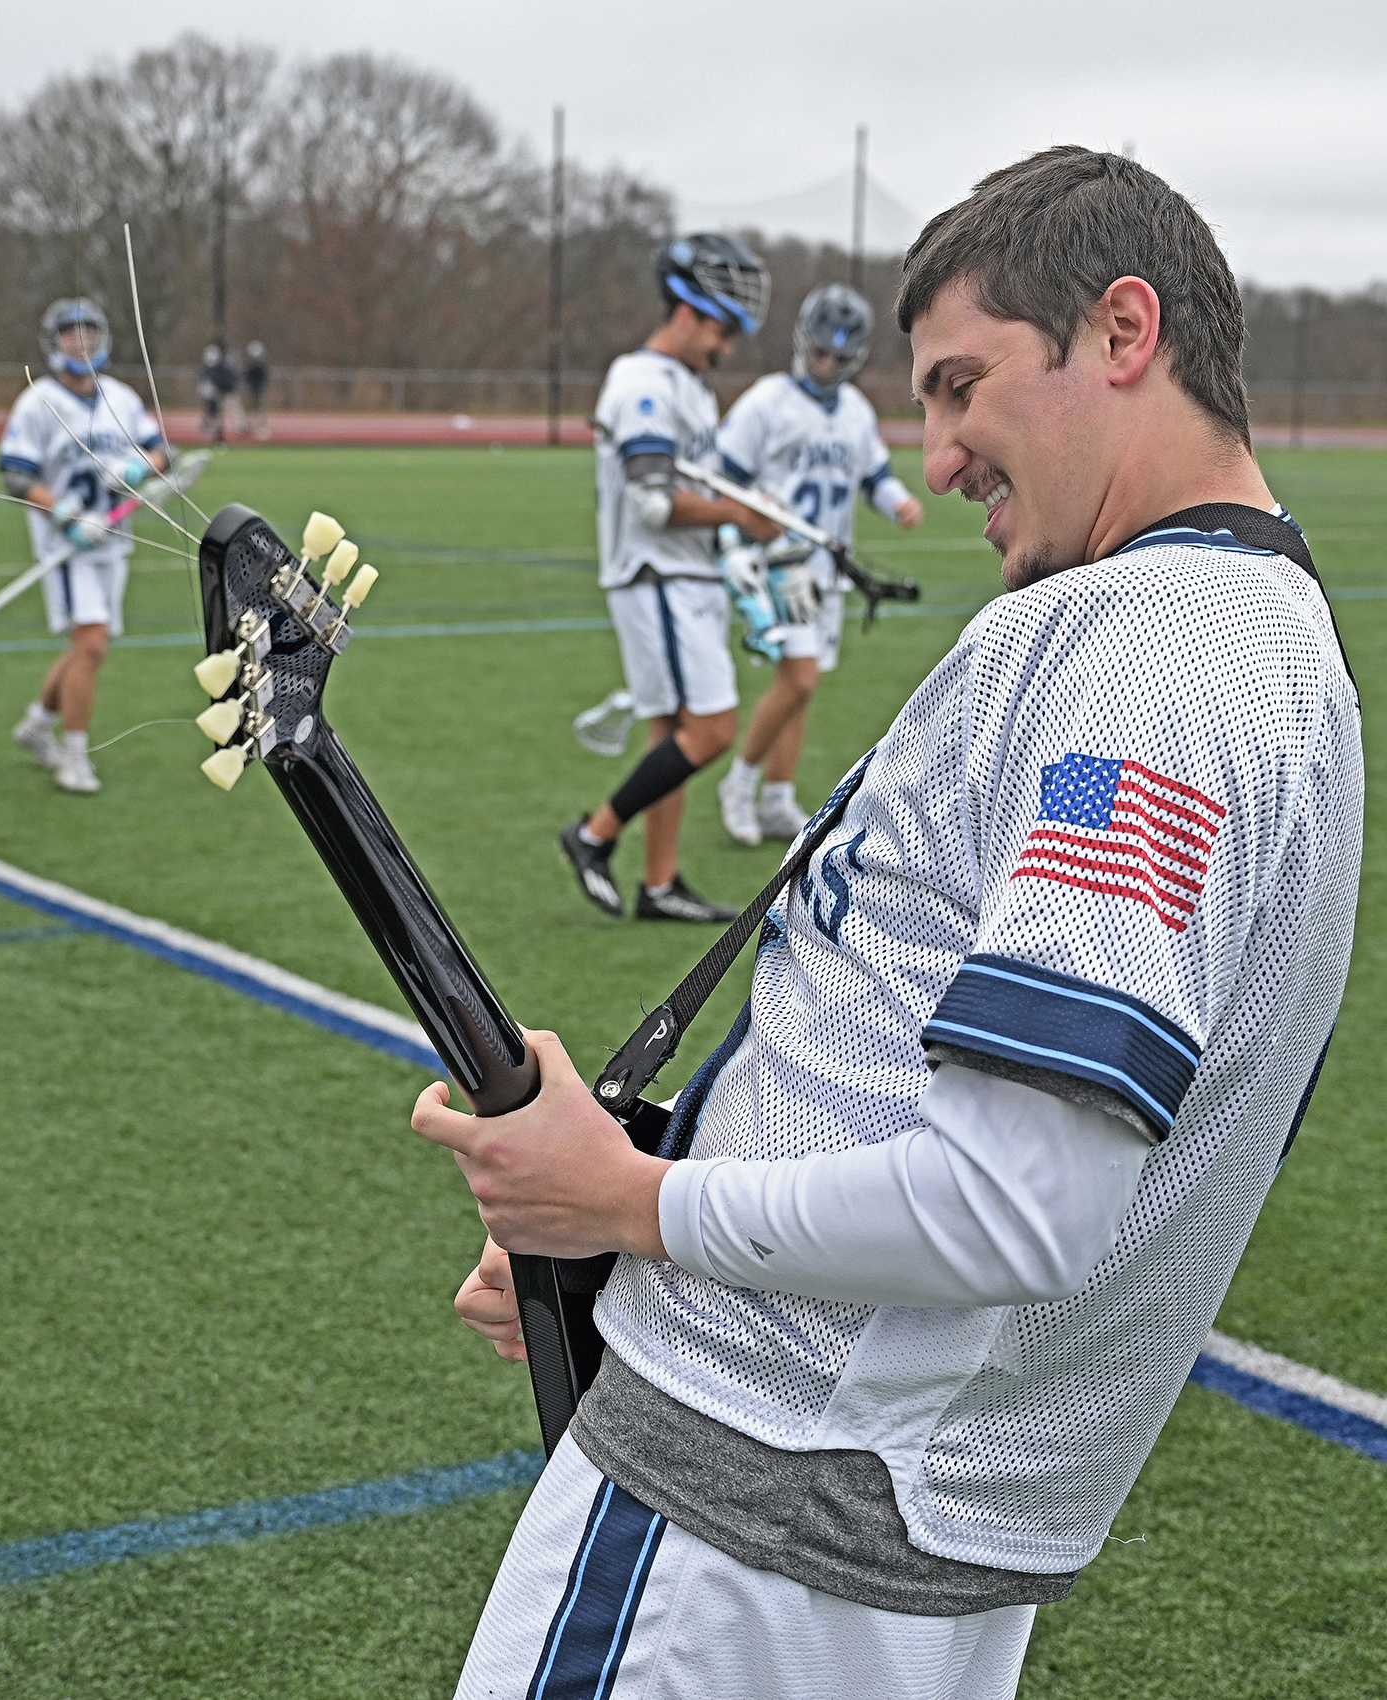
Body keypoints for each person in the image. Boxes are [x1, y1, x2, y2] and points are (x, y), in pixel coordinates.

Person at [419, 147, 1359, 1700]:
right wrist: (635, 1205)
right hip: (862, 1513)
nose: (936, 460)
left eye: (964, 385)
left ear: (1124, 335)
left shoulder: (1160, 656)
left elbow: (1017, 1207)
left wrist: (631, 1209)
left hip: (761, 1506)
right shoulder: (1217, 638)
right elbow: (909, 1061)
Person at [558, 233, 782, 923]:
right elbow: (653, 501)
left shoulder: (685, 385)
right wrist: (739, 517)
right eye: (722, 330)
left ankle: (659, 885)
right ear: (684, 312)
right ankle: (594, 834)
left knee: (671, 735)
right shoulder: (644, 384)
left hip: (683, 575)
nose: (727, 347)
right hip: (658, 575)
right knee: (712, 729)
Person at [712, 284, 926, 846]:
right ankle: (739, 783)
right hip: (781, 564)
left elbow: (873, 477)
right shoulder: (768, 402)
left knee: (805, 684)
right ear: (802, 342)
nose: (825, 365)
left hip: (828, 569)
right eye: (819, 352)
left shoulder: (854, 411)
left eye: (838, 358)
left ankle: (778, 795)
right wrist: (739, 542)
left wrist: (898, 501)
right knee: (799, 677)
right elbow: (723, 475)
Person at [1, 299, 169, 795]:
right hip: (68, 546)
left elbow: (162, 451)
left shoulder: (122, 397)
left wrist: (140, 468)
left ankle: (36, 723)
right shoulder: (37, 401)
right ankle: (74, 756)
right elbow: (15, 474)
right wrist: (63, 513)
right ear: (53, 342)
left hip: (114, 541)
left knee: (88, 649)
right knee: (92, 645)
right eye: (71, 334)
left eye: (89, 332)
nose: (82, 342)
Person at [242, 340, 270, 437]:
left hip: (257, 389)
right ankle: (253, 427)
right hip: (253, 389)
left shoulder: (259, 364)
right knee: (254, 409)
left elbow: (264, 376)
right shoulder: (254, 364)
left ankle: (259, 427)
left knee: (258, 409)